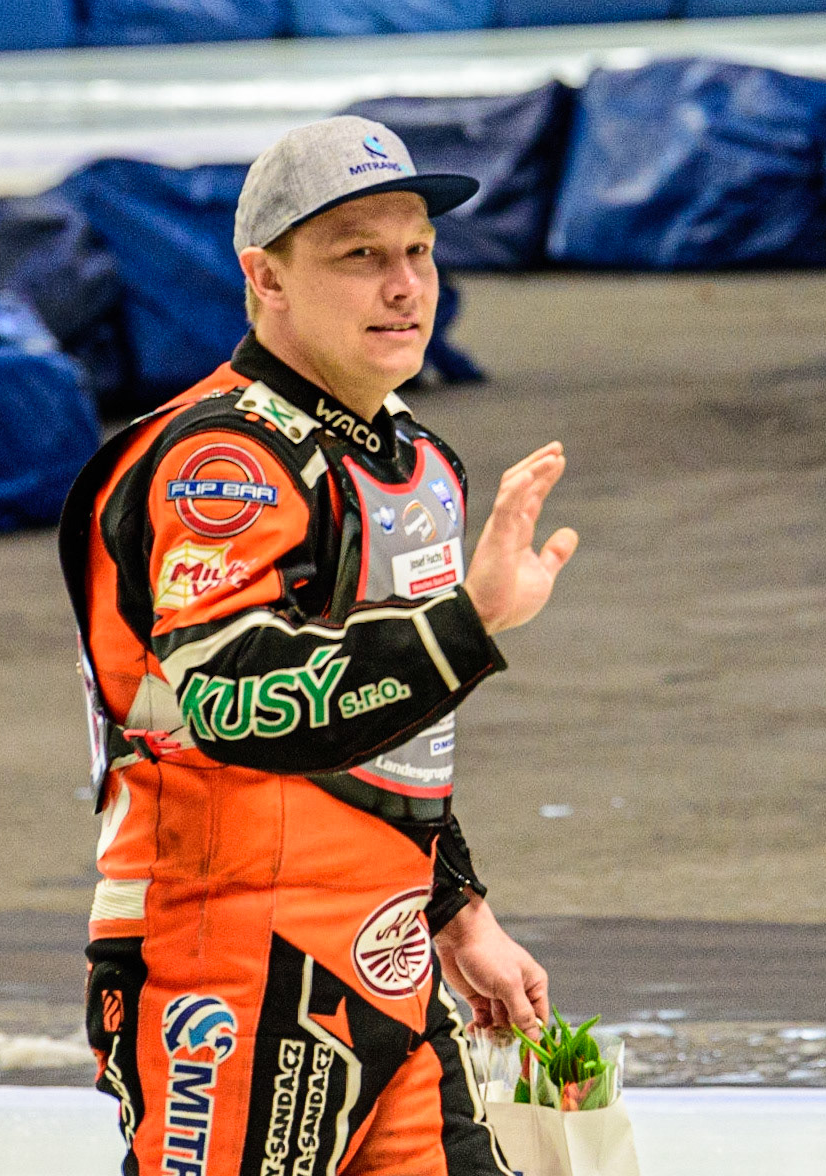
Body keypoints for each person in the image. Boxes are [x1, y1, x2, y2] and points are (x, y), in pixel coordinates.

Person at [58, 115, 578, 1176]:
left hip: (384, 941)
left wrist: (459, 911)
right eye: (360, 257)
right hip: (229, 951)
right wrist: (461, 629)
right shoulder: (221, 460)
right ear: (266, 277)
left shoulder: (416, 458)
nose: (405, 285)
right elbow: (230, 700)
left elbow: (393, 739)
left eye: (418, 252)